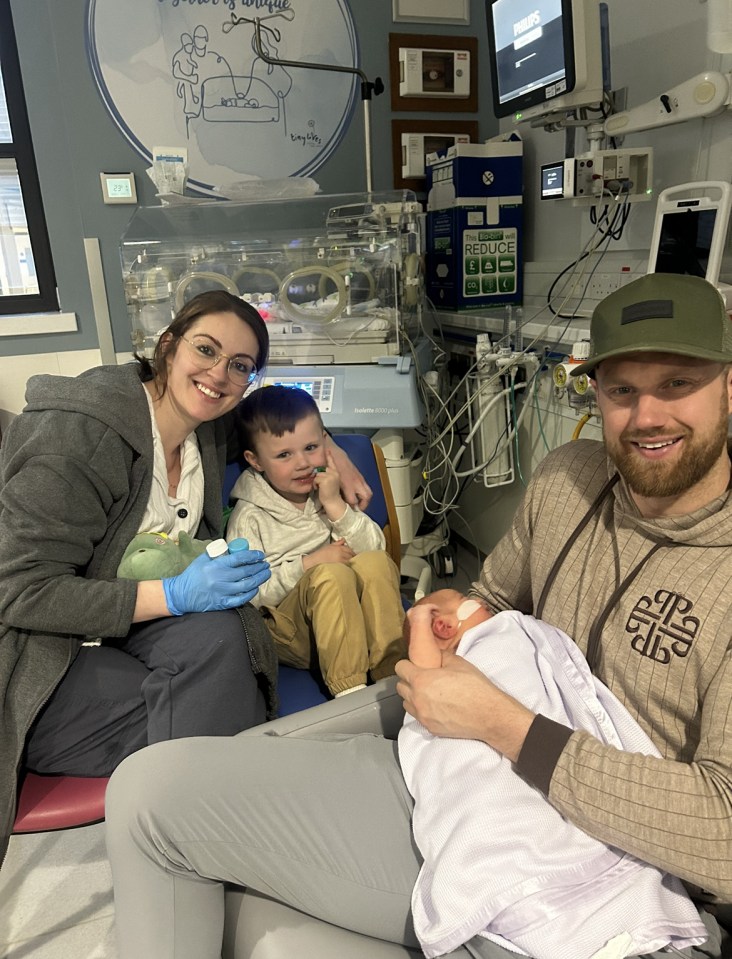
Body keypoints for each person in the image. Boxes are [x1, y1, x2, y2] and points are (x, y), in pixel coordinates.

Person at [106, 272, 732, 959]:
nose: (647, 415)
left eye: (678, 384)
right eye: (622, 390)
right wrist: (455, 614)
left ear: (728, 386)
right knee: (149, 790)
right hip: (470, 780)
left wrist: (503, 722)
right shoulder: (568, 480)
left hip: (619, 873)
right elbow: (490, 598)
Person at [0, 289, 370, 871]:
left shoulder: (208, 429)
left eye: (240, 366)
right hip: (43, 646)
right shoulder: (81, 435)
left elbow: (277, 432)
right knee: (225, 707)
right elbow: (19, 591)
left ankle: (212, 825)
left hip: (124, 634)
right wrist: (173, 595)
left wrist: (332, 455)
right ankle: (211, 853)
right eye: (206, 349)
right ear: (167, 346)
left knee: (224, 643)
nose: (219, 375)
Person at [401, 590, 706, 958]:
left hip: (563, 764)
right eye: (464, 598)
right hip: (477, 768)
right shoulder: (476, 646)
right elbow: (423, 674)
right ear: (444, 625)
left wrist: (500, 721)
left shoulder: (513, 634)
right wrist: (419, 620)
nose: (477, 598)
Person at [226, 385, 405, 697]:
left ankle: (392, 676)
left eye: (311, 448)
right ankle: (350, 692)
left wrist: (336, 506)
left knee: (374, 561)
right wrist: (309, 564)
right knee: (330, 574)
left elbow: (377, 551)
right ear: (255, 461)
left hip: (354, 623)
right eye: (284, 455)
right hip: (293, 632)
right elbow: (250, 596)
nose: (303, 463)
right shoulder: (250, 517)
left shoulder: (326, 490)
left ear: (326, 442)